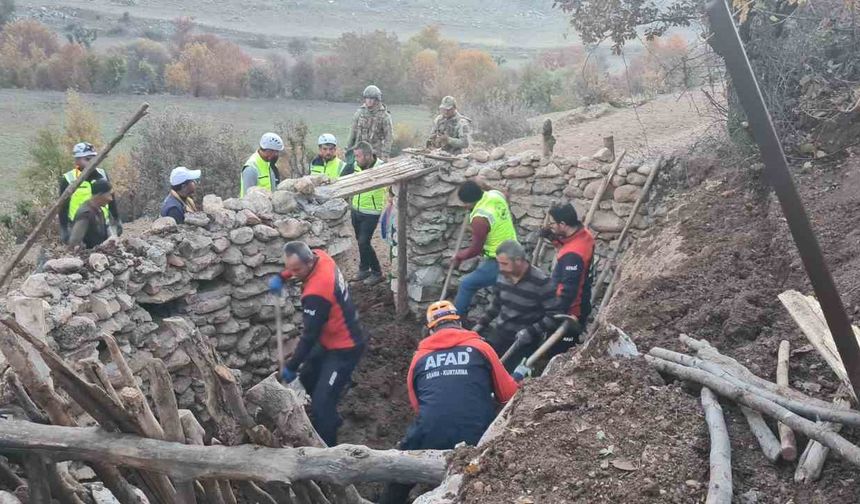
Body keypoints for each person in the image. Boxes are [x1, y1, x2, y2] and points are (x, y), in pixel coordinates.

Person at [378, 301, 519, 504]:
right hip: (478, 436)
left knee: (400, 472)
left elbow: (417, 405)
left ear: (430, 331)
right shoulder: (481, 348)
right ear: (460, 323)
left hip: (431, 432)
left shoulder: (419, 358)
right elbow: (509, 395)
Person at [268, 241, 364, 446]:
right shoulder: (321, 256)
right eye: (289, 269)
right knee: (308, 378)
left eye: (296, 270)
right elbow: (296, 267)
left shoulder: (317, 292)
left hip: (345, 348)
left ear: (309, 263)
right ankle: (330, 419)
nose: (292, 273)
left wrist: (291, 366)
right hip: (329, 339)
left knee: (321, 404)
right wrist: (282, 276)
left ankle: (327, 450)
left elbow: (309, 336)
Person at [471, 240, 560, 373]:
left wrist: (530, 331)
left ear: (518, 261)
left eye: (504, 264)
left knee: (509, 377)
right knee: (481, 368)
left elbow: (554, 316)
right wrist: (478, 327)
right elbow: (496, 305)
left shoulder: (541, 282)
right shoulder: (502, 276)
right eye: (499, 263)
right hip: (500, 334)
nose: (500, 268)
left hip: (523, 342)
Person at [451, 181, 518, 318]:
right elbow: (504, 195)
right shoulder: (496, 196)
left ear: (469, 202)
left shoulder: (480, 218)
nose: (465, 207)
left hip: (500, 261)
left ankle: (455, 322)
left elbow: (475, 249)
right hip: (514, 250)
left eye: (465, 204)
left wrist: (459, 256)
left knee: (466, 284)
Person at [543, 203, 595, 358]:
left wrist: (552, 313)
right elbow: (570, 243)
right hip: (581, 302)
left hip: (569, 313)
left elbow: (568, 291)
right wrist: (554, 238)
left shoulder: (573, 255)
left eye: (552, 223)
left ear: (563, 225)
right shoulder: (585, 235)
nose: (550, 226)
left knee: (558, 354)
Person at [59, 142, 122, 243]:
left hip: (101, 224)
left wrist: (116, 218)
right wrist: (64, 228)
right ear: (77, 160)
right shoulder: (68, 179)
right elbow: (62, 207)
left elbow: (111, 198)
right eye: (87, 159)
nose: (92, 162)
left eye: (93, 158)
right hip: (78, 226)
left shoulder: (102, 174)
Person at [344, 141, 386, 285]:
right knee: (360, 242)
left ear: (368, 156)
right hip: (356, 209)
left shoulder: (382, 167)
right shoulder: (355, 166)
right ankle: (363, 269)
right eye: (355, 156)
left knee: (364, 242)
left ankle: (377, 272)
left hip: (371, 212)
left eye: (358, 156)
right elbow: (341, 177)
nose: (355, 159)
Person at [346, 85, 393, 161]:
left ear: (377, 100)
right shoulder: (360, 113)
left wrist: (385, 155)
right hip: (359, 153)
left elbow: (389, 137)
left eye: (372, 98)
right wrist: (348, 149)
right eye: (367, 98)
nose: (369, 101)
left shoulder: (384, 116)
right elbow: (353, 133)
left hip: (375, 154)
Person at [67, 179, 114, 250]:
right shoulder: (86, 214)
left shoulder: (99, 210)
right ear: (99, 195)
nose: (111, 199)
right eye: (109, 195)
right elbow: (74, 243)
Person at [240, 132, 284, 197]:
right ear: (269, 151)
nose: (276, 155)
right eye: (275, 152)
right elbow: (248, 197)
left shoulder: (269, 164)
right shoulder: (251, 169)